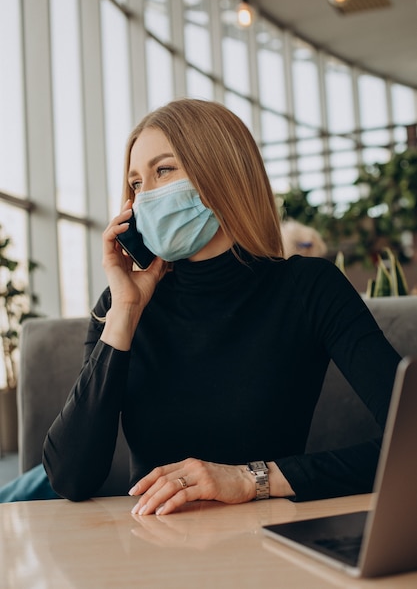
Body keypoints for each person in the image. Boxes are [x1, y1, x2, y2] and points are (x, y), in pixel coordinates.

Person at [1, 99, 400, 513]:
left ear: (222, 172)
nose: (145, 197)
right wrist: (124, 312)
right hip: (152, 551)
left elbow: (409, 440)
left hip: (267, 547)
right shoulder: (122, 305)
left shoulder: (309, 287)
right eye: (136, 184)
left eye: (164, 170)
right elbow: (70, 477)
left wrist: (252, 479)